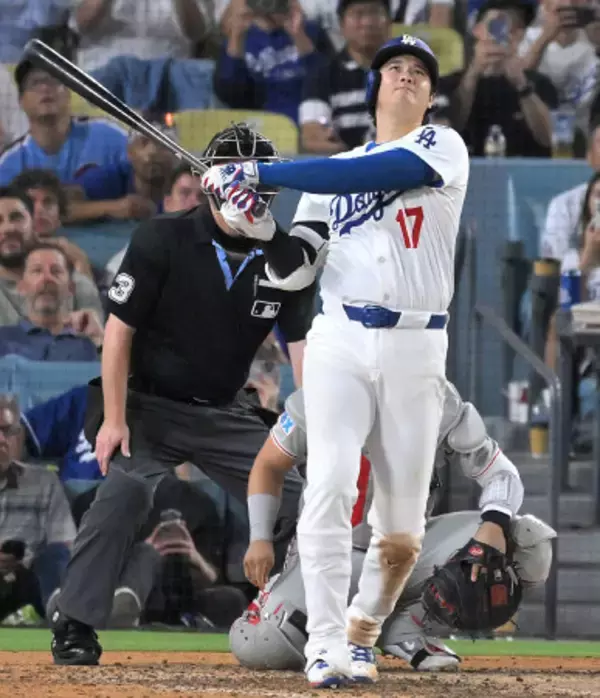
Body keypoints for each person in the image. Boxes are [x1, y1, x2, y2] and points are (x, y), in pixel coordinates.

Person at [201, 35, 470, 687]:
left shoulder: (441, 147)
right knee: (328, 485)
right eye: (394, 68)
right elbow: (296, 268)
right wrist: (260, 226)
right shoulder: (329, 176)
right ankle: (323, 643)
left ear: (431, 96)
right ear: (375, 87)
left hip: (416, 345)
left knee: (401, 531)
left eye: (419, 72)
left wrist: (265, 174)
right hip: (340, 338)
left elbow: (364, 175)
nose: (405, 76)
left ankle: (361, 632)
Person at [49, 123, 315, 666]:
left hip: (225, 412)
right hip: (148, 406)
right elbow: (118, 331)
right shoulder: (161, 237)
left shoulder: (286, 258)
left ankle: (300, 614)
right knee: (126, 493)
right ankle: (73, 622)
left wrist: (315, 428)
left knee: (305, 499)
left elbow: (303, 350)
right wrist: (115, 419)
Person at [231, 386, 556, 673]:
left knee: (527, 542)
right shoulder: (325, 384)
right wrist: (260, 537)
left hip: (403, 551)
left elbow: (501, 473)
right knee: (260, 644)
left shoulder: (438, 398)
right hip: (327, 556)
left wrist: (495, 523)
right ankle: (347, 625)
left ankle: (406, 627)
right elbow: (269, 464)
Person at [0, 243, 103, 361]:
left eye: (56, 271)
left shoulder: (91, 343)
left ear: (71, 288)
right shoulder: (3, 339)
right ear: (22, 287)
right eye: (37, 271)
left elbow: (117, 371)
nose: (47, 278)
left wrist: (99, 338)